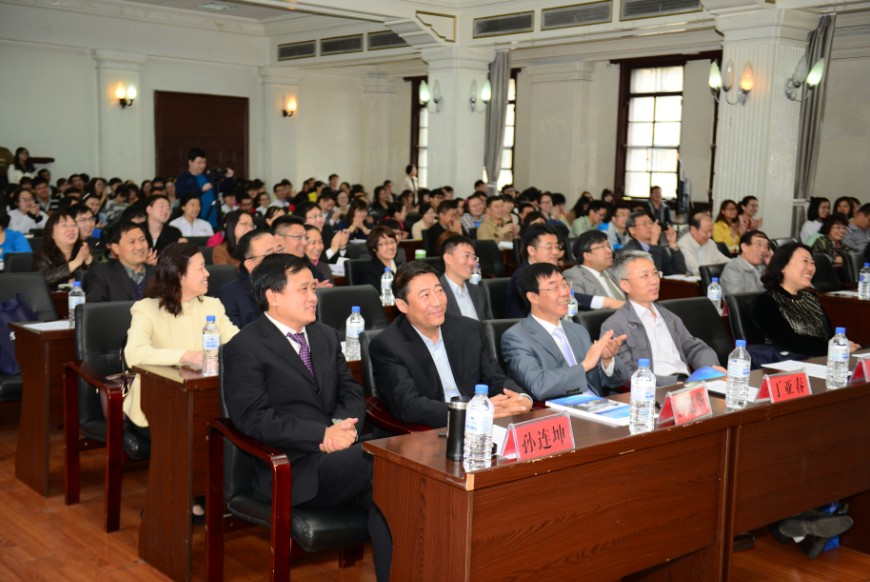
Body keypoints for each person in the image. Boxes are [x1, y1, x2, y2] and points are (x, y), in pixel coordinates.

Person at [222, 254, 391, 582]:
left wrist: (342, 429)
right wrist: (321, 435)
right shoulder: (245, 346)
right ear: (273, 296)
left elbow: (351, 391)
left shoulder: (324, 335)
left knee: (392, 499)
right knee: (388, 463)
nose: (313, 296)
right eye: (303, 289)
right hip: (293, 467)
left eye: (313, 288)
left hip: (341, 456)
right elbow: (253, 418)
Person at [368, 261, 532, 427]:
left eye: (439, 291)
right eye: (425, 295)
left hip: (481, 423)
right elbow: (408, 405)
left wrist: (522, 398)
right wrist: (469, 411)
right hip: (431, 429)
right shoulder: (387, 345)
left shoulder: (469, 329)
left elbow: (494, 378)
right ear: (402, 305)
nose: (437, 302)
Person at [125, 242, 239, 429]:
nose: (207, 273)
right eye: (201, 268)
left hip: (203, 397)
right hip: (156, 402)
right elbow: (133, 354)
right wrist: (187, 356)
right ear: (179, 274)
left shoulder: (213, 306)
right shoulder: (146, 309)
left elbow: (237, 343)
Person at [501, 263, 629, 401]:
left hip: (597, 404)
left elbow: (616, 381)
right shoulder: (516, 337)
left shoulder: (578, 330)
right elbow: (538, 386)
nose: (564, 293)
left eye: (564, 284)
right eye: (554, 288)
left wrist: (607, 360)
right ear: (533, 297)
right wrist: (584, 366)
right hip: (558, 409)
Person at [601, 250, 724, 385]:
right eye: (645, 276)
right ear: (626, 285)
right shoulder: (615, 325)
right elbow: (627, 374)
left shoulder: (668, 315)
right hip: (656, 389)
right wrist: (674, 383)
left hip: (688, 383)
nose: (654, 281)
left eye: (655, 274)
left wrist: (710, 367)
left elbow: (694, 348)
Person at [751, 243, 859, 358]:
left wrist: (840, 345)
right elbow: (789, 342)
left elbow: (829, 335)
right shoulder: (765, 302)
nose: (811, 268)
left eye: (812, 263)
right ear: (783, 266)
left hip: (822, 360)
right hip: (786, 364)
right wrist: (833, 347)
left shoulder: (812, 298)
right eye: (805, 261)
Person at [507, 224, 612, 318]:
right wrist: (605, 302)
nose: (555, 252)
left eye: (557, 246)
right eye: (549, 247)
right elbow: (563, 297)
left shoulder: (550, 271)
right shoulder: (522, 276)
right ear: (531, 250)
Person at [217, 230, 279, 329]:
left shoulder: (294, 286)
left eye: (280, 250)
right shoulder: (229, 294)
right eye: (270, 254)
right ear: (249, 265)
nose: (279, 257)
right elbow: (235, 337)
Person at [83, 222, 154, 302]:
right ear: (116, 248)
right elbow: (96, 308)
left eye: (142, 240)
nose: (139, 246)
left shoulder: (159, 274)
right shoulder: (100, 274)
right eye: (132, 241)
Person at [175, 148, 235, 230]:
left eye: (204, 162)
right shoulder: (183, 179)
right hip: (195, 221)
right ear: (190, 162)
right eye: (199, 163)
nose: (202, 165)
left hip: (214, 220)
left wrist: (229, 178)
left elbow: (225, 189)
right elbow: (181, 195)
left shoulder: (209, 177)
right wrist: (200, 190)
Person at [33, 211, 93, 289]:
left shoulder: (83, 249)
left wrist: (89, 260)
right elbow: (41, 280)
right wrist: (76, 262)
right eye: (64, 225)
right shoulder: (42, 254)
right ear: (51, 233)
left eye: (74, 225)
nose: (71, 229)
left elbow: (102, 277)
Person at [563, 230, 625, 303]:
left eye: (608, 246)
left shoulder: (612, 271)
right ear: (587, 255)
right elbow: (578, 304)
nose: (609, 251)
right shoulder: (574, 275)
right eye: (602, 247)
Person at [439, 235, 491, 321]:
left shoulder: (478, 292)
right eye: (466, 256)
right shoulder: (436, 293)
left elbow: (488, 325)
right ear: (448, 258)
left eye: (473, 257)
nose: (471, 263)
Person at [622, 210, 687, 276]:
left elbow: (680, 271)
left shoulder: (659, 249)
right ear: (632, 230)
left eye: (651, 223)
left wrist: (672, 243)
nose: (650, 226)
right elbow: (652, 274)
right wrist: (654, 242)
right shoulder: (629, 251)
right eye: (644, 224)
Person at [272, 216, 330, 286]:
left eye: (306, 237)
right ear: (278, 239)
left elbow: (323, 282)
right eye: (298, 237)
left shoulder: (303, 259)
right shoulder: (270, 265)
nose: (305, 243)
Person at [719, 230, 770, 296]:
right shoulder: (732, 269)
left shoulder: (764, 268)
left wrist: (772, 266)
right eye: (759, 245)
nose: (763, 250)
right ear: (744, 247)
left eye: (766, 246)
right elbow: (737, 299)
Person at [357, 225, 400, 291]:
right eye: (385, 243)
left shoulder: (401, 267)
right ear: (374, 248)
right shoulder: (368, 271)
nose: (391, 247)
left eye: (392, 242)